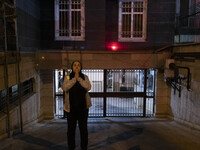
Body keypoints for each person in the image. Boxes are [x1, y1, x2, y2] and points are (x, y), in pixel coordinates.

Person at [62, 60, 92, 150]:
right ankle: (71, 147)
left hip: (83, 109)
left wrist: (79, 78)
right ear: (72, 67)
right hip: (71, 109)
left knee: (83, 130)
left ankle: (84, 147)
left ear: (81, 67)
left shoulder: (85, 77)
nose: (77, 67)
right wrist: (74, 79)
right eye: (75, 65)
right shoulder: (68, 76)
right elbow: (64, 87)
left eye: (78, 65)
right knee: (71, 130)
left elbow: (88, 87)